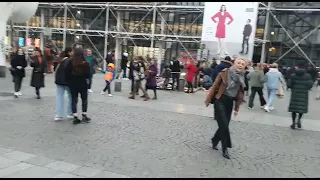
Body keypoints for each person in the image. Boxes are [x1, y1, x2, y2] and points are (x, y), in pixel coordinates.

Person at [205, 57, 246, 159]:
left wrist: (236, 108)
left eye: (242, 64)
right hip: (220, 100)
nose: (240, 65)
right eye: (238, 63)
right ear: (234, 63)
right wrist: (208, 99)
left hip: (230, 102)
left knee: (225, 124)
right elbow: (215, 86)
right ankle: (225, 149)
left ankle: (215, 140)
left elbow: (240, 94)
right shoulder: (225, 72)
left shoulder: (242, 77)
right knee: (224, 124)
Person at [65, 48, 91, 125]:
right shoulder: (85, 63)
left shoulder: (70, 62)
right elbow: (88, 75)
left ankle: (75, 116)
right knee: (84, 99)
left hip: (73, 83)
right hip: (82, 83)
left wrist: (69, 82)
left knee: (74, 99)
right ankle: (84, 115)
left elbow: (66, 73)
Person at [287, 64, 313, 129]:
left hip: (295, 93)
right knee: (301, 108)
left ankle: (293, 123)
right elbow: (310, 85)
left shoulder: (293, 75)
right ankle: (299, 120)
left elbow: (289, 84)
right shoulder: (308, 76)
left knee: (294, 109)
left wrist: (292, 87)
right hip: (304, 94)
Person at [54, 48, 73, 121]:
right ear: (69, 52)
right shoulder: (69, 61)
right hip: (67, 82)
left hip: (59, 81)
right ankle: (70, 112)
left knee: (59, 97)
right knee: (71, 97)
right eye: (72, 52)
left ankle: (58, 115)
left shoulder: (59, 60)